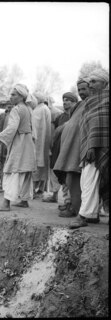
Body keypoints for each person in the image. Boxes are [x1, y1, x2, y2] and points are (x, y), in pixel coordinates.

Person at [70, 69, 109, 229]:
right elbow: (90, 126)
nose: (90, 84)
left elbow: (102, 124)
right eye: (90, 81)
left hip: (101, 147)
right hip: (91, 147)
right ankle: (91, 214)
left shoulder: (106, 100)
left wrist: (93, 145)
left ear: (104, 83)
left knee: (93, 180)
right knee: (88, 180)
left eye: (94, 81)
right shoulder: (90, 102)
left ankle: (83, 216)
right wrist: (89, 144)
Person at [0, 84, 37, 211]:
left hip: (20, 143)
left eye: (13, 94)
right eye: (11, 94)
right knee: (25, 170)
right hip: (28, 142)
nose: (11, 97)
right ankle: (24, 200)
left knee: (13, 170)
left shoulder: (16, 109)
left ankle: (6, 204)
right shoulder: (28, 108)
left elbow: (11, 128)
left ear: (21, 97)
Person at [53, 79, 90, 218]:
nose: (81, 92)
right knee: (71, 177)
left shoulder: (93, 103)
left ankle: (80, 210)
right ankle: (74, 206)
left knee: (82, 180)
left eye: (84, 89)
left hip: (83, 147)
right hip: (71, 148)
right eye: (79, 90)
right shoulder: (80, 105)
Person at [43, 92, 78, 205]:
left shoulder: (76, 116)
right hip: (58, 148)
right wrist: (50, 147)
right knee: (56, 171)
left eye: (68, 100)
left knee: (68, 174)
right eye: (64, 99)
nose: (65, 102)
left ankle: (70, 202)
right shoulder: (60, 117)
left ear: (74, 102)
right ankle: (54, 195)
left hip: (70, 148)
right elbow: (53, 133)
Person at [32, 92, 51, 199]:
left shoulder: (39, 110)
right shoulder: (45, 109)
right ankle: (40, 190)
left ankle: (33, 191)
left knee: (36, 166)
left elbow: (34, 128)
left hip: (37, 143)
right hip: (43, 143)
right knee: (41, 166)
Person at [0, 103, 13, 192]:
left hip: (8, 143)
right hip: (1, 143)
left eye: (10, 106)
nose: (9, 107)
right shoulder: (2, 115)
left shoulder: (14, 116)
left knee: (5, 164)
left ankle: (2, 185)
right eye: (8, 105)